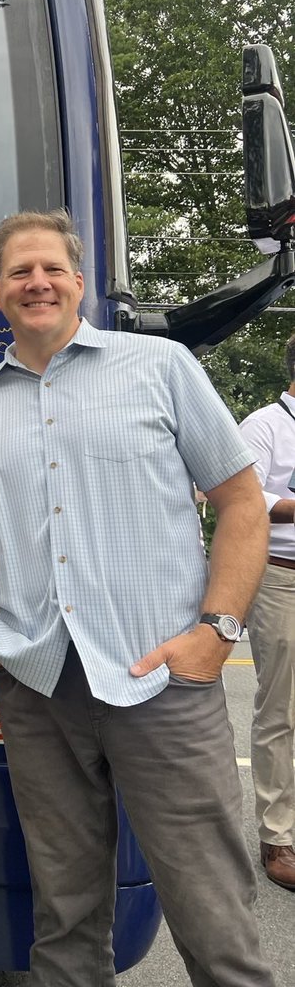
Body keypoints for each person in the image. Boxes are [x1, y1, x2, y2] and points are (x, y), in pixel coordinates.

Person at [0, 209, 276, 987]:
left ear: (80, 283)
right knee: (63, 911)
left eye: (52, 268)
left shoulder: (159, 366)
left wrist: (216, 631)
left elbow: (242, 503)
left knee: (212, 910)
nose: (38, 282)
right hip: (38, 683)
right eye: (21, 272)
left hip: (160, 675)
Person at [238, 338, 295, 890]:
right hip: (281, 578)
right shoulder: (263, 425)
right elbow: (244, 498)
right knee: (281, 709)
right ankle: (278, 835)